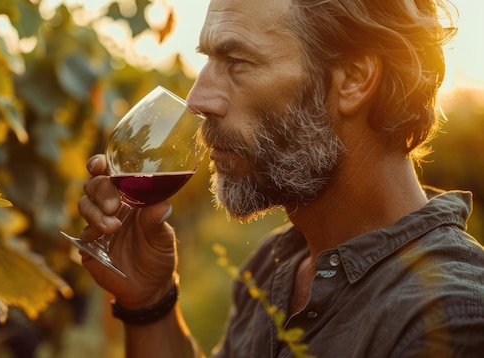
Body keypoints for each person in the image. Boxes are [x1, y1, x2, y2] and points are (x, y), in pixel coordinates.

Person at [75, 0, 484, 356]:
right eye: (208, 60)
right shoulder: (277, 264)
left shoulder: (448, 320)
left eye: (236, 62)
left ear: (356, 78)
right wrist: (151, 302)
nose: (198, 100)